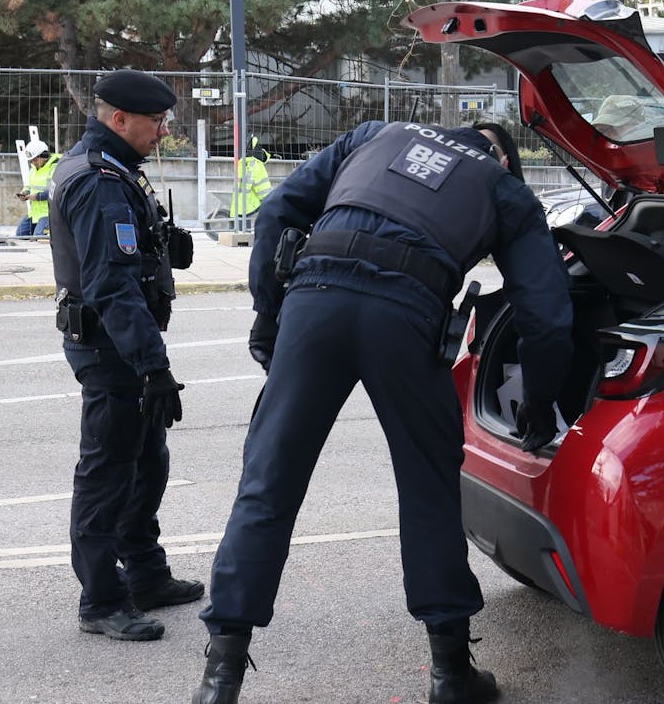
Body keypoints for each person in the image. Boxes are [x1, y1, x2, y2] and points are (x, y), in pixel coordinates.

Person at [194, 120, 573, 704]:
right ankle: (451, 675)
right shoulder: (502, 189)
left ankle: (219, 679)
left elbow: (275, 213)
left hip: (314, 298)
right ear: (502, 158)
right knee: (428, 488)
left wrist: (270, 316)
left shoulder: (375, 134)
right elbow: (545, 317)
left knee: (268, 484)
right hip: (405, 315)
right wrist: (541, 404)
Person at [48, 70, 201, 642]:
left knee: (146, 461)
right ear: (119, 120)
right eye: (157, 122)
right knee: (108, 471)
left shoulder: (114, 170)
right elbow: (110, 283)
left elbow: (129, 256)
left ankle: (144, 574)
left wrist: (167, 243)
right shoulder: (98, 181)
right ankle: (102, 600)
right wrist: (151, 366)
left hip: (123, 345)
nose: (164, 131)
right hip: (112, 348)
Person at [16, 143, 59, 237]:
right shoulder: (33, 170)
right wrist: (25, 193)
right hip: (35, 214)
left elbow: (57, 191)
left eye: (35, 159)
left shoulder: (55, 168)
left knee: (38, 236)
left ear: (43, 156)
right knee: (20, 234)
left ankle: (55, 231)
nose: (33, 162)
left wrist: (38, 196)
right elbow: (28, 186)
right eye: (31, 160)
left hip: (49, 213)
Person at [228, 135, 272, 225]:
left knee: (242, 229)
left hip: (239, 205)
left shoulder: (242, 162)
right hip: (251, 205)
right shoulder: (255, 164)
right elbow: (262, 188)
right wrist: (268, 200)